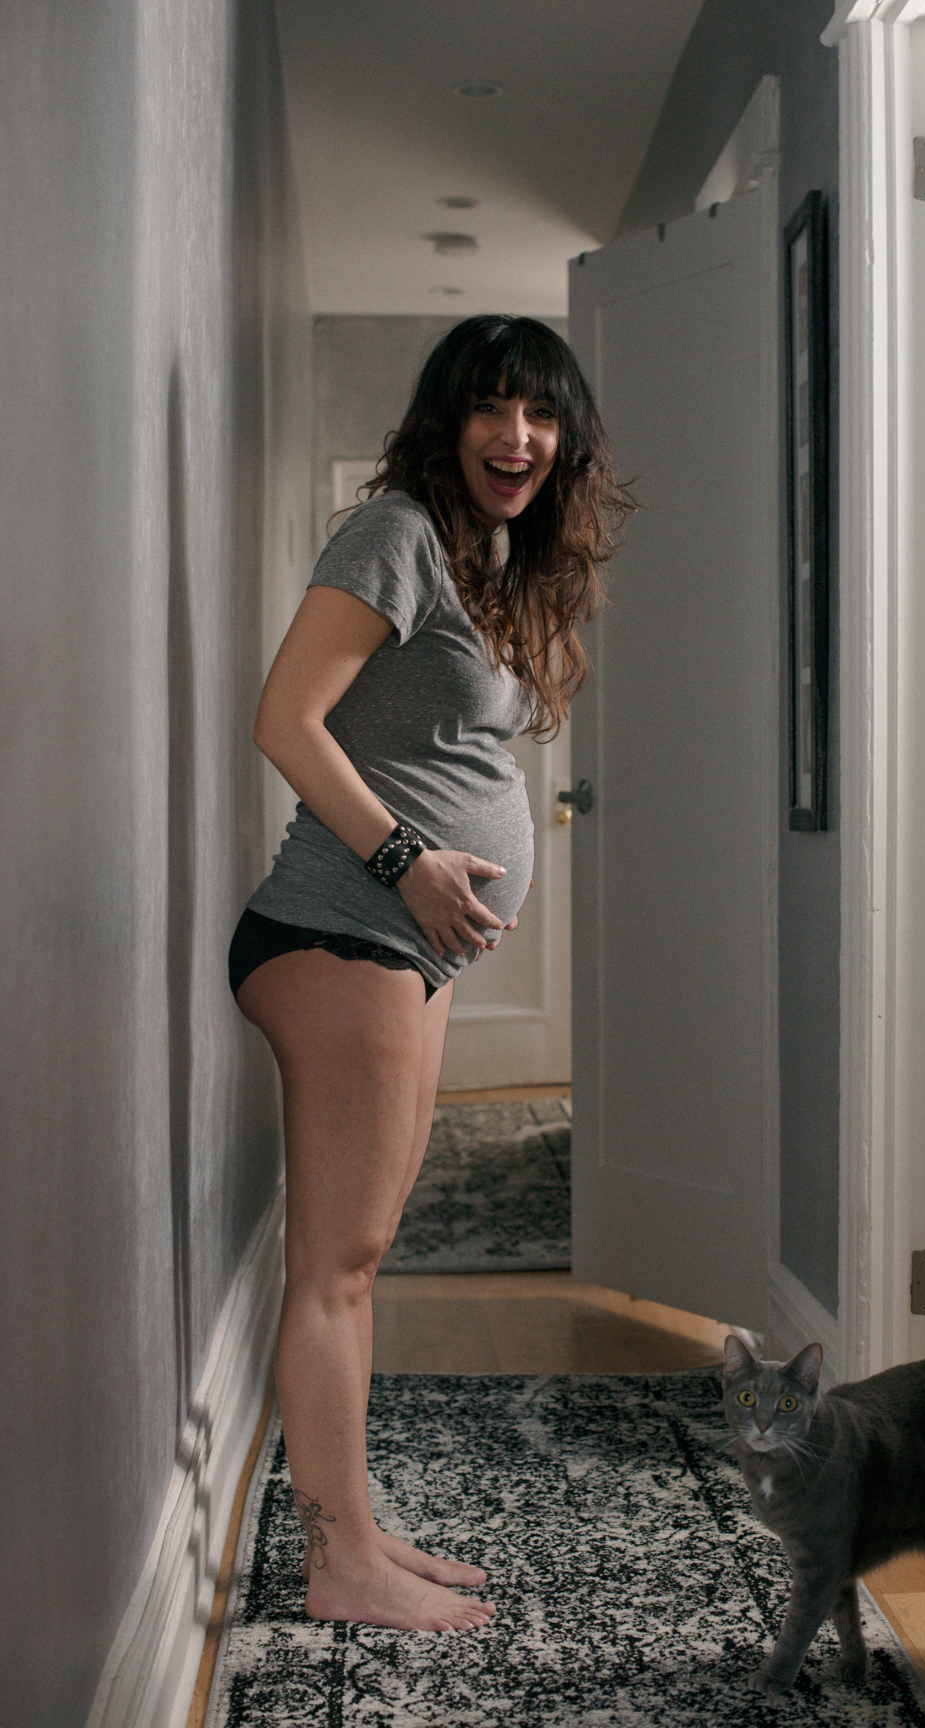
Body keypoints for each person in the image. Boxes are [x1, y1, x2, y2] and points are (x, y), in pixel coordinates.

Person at [229, 315, 630, 1632]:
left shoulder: (482, 557)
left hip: (401, 949)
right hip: (339, 930)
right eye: (491, 409)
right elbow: (285, 718)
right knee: (334, 1265)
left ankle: (355, 1531)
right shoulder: (395, 534)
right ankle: (338, 1563)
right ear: (447, 420)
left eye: (541, 415)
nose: (517, 438)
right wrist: (408, 860)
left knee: (361, 1258)